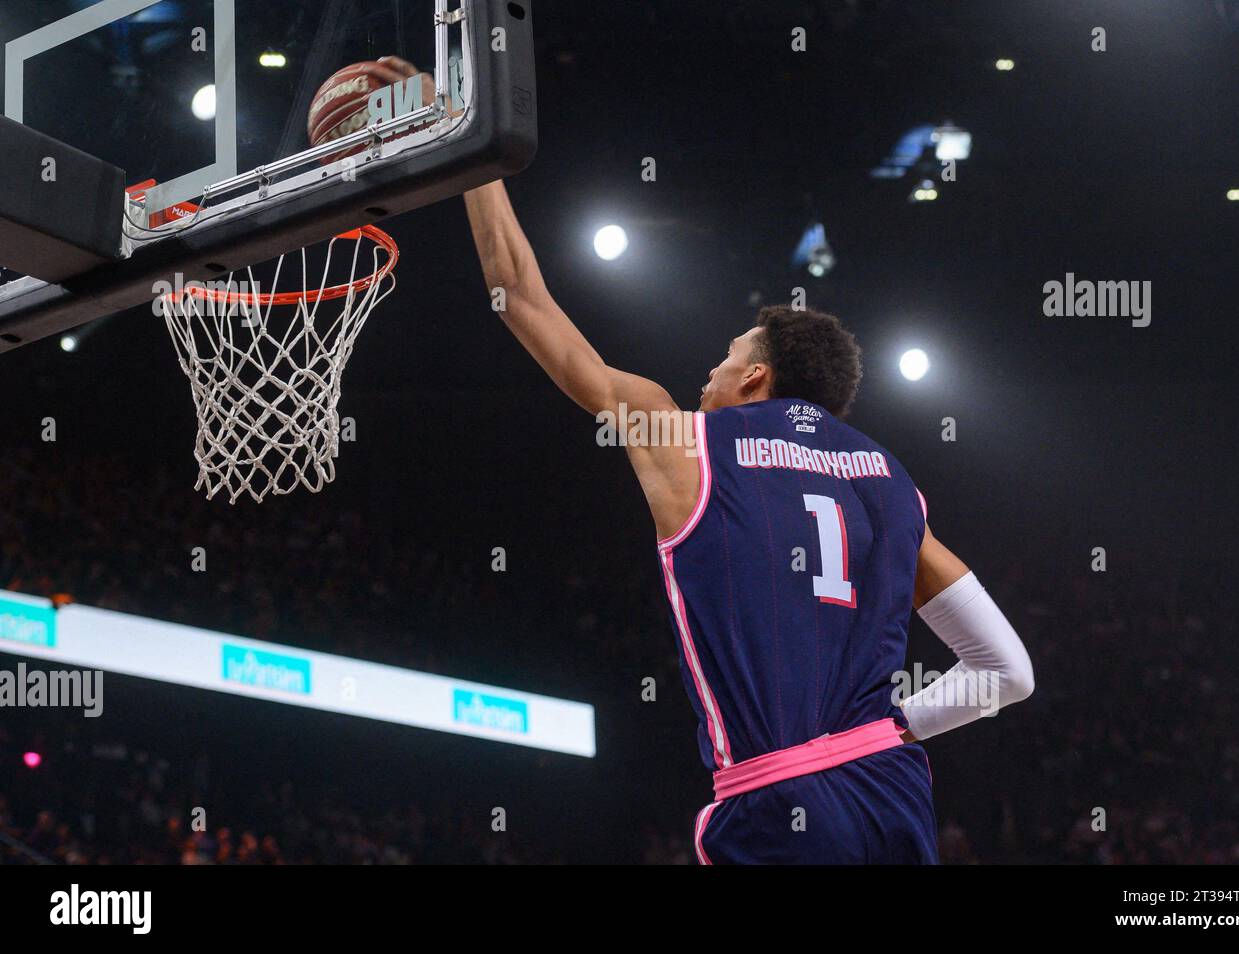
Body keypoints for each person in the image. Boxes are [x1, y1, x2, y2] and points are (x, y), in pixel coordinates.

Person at [353, 44, 1039, 864]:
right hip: (895, 797)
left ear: (756, 375)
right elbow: (1006, 673)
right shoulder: (894, 487)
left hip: (783, 799)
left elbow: (520, 296)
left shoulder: (682, 438)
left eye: (725, 354)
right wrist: (894, 727)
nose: (706, 370)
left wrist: (466, 146)